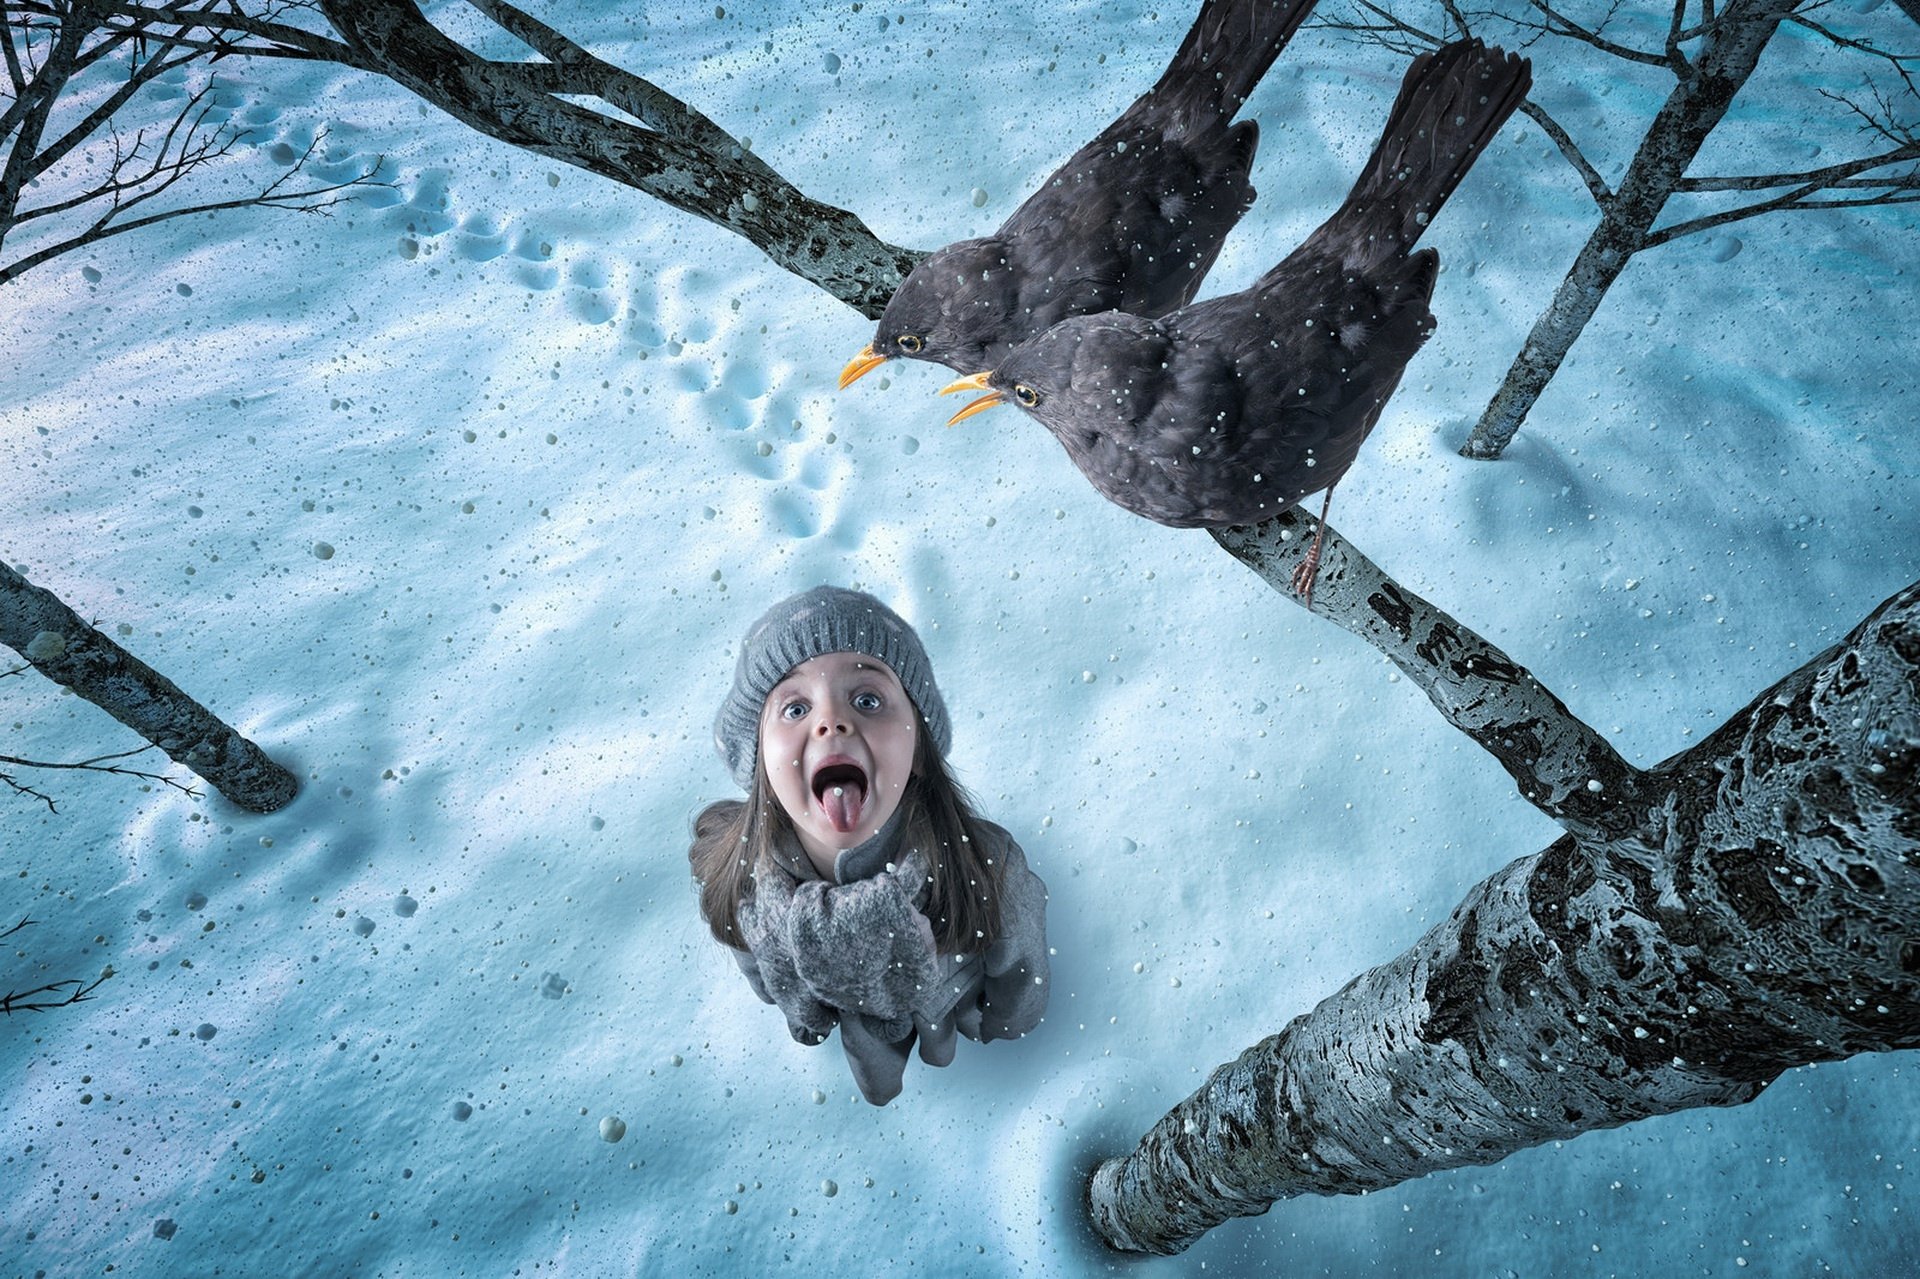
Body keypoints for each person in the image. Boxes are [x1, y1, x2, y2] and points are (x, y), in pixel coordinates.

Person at [690, 585, 1049, 1105]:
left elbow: (1021, 986)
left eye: (867, 700)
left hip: (956, 1057)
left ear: (919, 750)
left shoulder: (986, 868)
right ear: (760, 764)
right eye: (794, 709)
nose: (830, 722)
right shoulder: (744, 877)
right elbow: (759, 969)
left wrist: (1000, 1025)